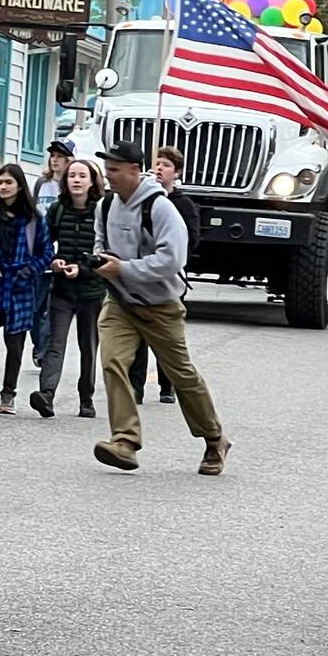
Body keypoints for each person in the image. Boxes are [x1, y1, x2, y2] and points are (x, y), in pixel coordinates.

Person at [91, 142, 229, 475]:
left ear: (134, 171)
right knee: (112, 362)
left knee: (182, 375)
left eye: (114, 169)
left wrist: (123, 268)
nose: (108, 175)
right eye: (107, 168)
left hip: (161, 306)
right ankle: (124, 441)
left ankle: (214, 438)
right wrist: (95, 261)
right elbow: (99, 242)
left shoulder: (161, 208)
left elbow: (172, 261)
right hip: (120, 301)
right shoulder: (106, 204)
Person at [0, 162, 51, 415]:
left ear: (19, 186)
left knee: (15, 344)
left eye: (8, 183)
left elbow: (46, 251)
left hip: (20, 287)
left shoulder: (33, 219)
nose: (3, 187)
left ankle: (8, 395)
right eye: (0, 182)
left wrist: (30, 269)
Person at [31, 158, 105, 418]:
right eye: (72, 175)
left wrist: (83, 269)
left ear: (92, 181)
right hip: (61, 288)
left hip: (92, 290)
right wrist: (53, 260)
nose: (76, 180)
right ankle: (46, 395)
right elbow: (43, 243)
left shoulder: (102, 211)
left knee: (88, 345)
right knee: (55, 342)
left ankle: (86, 398)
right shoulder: (57, 209)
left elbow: (106, 251)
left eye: (82, 176)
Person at [130, 145, 200, 404]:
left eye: (166, 165)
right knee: (138, 333)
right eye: (157, 163)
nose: (159, 168)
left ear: (176, 173)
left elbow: (191, 239)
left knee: (166, 335)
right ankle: (135, 385)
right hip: (141, 273)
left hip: (170, 278)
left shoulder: (183, 204)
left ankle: (166, 385)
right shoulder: (141, 199)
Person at [30, 140, 73, 367]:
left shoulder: (69, 187)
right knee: (36, 306)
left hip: (60, 253)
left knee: (52, 305)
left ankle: (45, 350)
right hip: (40, 251)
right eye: (53, 155)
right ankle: (38, 344)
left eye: (60, 156)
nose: (55, 159)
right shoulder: (41, 183)